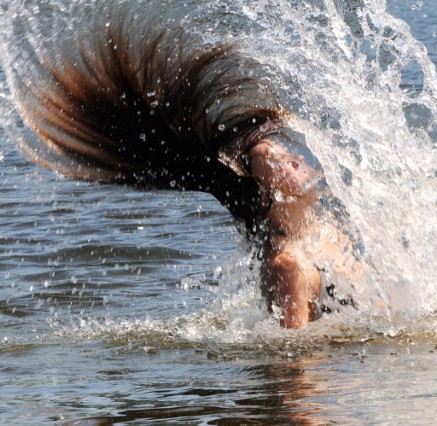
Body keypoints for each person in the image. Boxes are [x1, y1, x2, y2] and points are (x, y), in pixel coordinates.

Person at [7, 3, 363, 328]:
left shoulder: (325, 231)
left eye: (290, 157)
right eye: (282, 163)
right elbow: (295, 377)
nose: (298, 162)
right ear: (266, 194)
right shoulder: (287, 265)